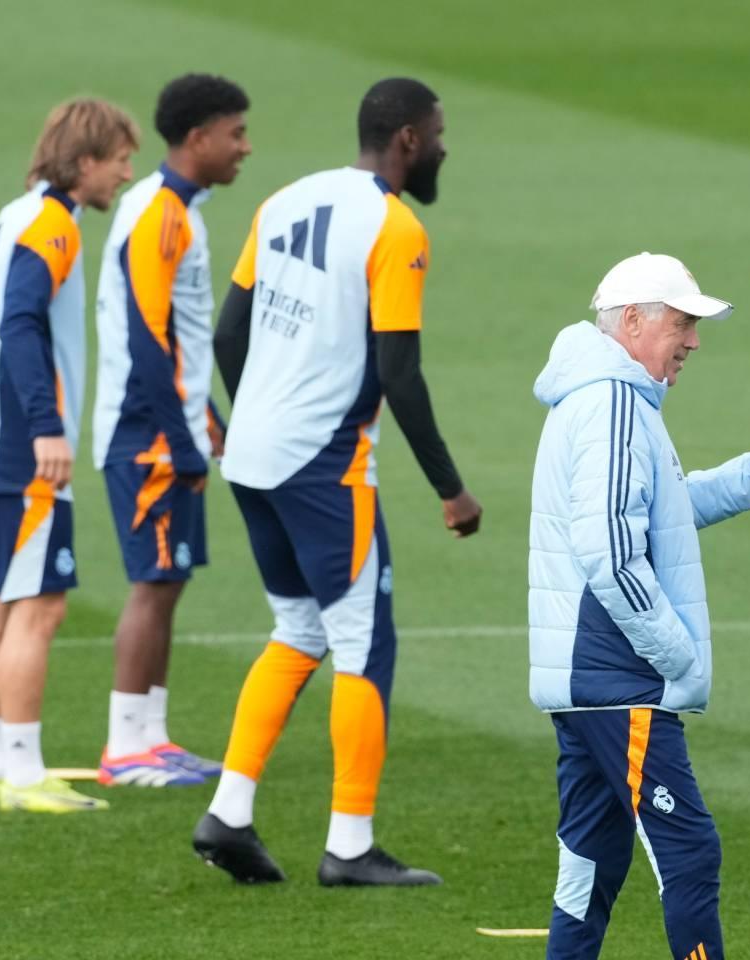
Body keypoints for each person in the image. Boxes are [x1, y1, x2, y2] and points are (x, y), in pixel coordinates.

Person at [190, 77, 481, 887]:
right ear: (409, 141)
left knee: (298, 630)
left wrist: (260, 415)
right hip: (320, 465)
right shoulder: (397, 227)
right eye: (440, 132)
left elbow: (229, 333)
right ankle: (350, 846)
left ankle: (229, 813)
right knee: (364, 643)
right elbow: (400, 372)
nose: (445, 146)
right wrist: (450, 489)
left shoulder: (284, 200)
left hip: (251, 454)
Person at [529, 253, 750, 959]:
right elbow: (609, 549)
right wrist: (676, 654)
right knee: (689, 851)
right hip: (618, 677)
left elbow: (659, 509)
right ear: (632, 321)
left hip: (589, 680)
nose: (693, 340)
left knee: (590, 864)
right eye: (682, 323)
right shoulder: (612, 404)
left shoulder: (608, 396)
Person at [0, 98, 139, 813]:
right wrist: (46, 427)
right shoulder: (53, 226)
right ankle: (25, 773)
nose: (126, 173)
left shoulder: (12, 215)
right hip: (19, 447)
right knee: (40, 607)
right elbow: (21, 322)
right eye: (120, 159)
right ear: (85, 161)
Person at [92, 72, 251, 788]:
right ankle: (125, 745)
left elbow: (177, 342)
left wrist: (207, 417)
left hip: (168, 425)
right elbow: (147, 338)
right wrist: (182, 437)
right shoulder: (158, 214)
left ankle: (152, 738)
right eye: (235, 133)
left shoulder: (179, 213)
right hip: (145, 433)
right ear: (198, 138)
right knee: (153, 584)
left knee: (170, 580)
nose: (244, 147)